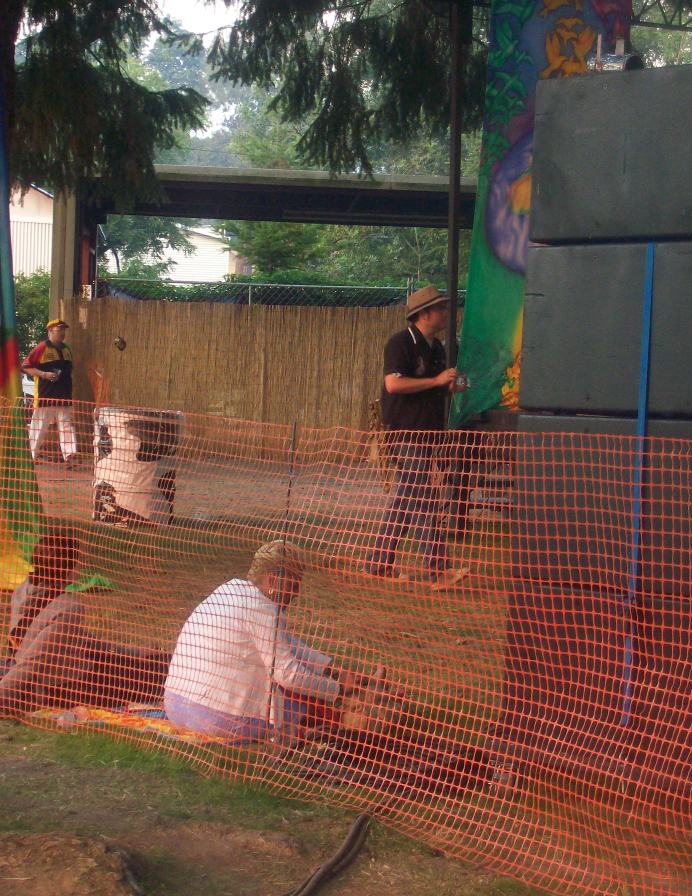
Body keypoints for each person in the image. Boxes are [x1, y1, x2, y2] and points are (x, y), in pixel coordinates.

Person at [164, 540, 364, 741]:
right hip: (216, 720)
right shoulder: (263, 609)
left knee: (301, 691)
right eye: (293, 585)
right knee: (305, 705)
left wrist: (333, 670)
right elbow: (288, 675)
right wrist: (337, 692)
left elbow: (285, 642)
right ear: (274, 579)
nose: (296, 594)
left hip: (175, 706)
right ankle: (348, 720)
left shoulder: (230, 589)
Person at [367, 284, 469, 590]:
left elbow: (439, 385)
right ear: (424, 313)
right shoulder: (400, 343)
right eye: (440, 308)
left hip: (427, 435)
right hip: (405, 433)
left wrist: (452, 385)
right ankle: (439, 570)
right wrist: (436, 380)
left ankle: (377, 563)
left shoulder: (437, 348)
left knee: (405, 499)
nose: (446, 313)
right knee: (424, 499)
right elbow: (393, 385)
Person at [0, 529, 169, 716]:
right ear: (68, 567)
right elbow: (32, 662)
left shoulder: (23, 590)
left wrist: (134, 653)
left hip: (71, 668)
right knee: (160, 674)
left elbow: (81, 640)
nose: (81, 565)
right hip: (67, 686)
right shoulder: (68, 606)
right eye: (78, 560)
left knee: (157, 661)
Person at [22, 319, 77, 466]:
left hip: (64, 395)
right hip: (46, 395)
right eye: (59, 330)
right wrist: (44, 374)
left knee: (67, 425)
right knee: (39, 425)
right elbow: (25, 366)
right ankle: (30, 456)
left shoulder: (67, 348)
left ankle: (70, 456)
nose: (62, 333)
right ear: (50, 332)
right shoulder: (42, 347)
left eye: (64, 330)